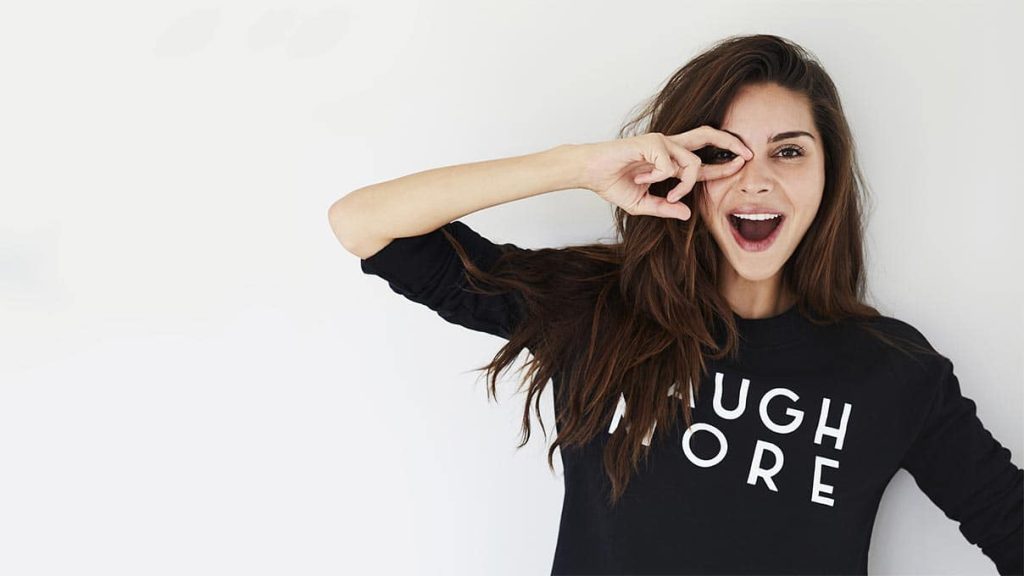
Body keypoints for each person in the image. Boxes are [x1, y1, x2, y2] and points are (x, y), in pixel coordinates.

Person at [327, 33, 1023, 576]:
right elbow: (364, 224)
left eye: (788, 152)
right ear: (682, 169)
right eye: (725, 155)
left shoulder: (893, 371)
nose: (756, 181)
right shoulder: (598, 310)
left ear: (827, 177)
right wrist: (579, 166)